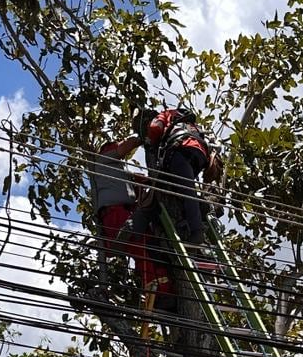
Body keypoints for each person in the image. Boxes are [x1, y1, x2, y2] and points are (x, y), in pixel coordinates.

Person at [86, 132, 172, 306]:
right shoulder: (104, 158)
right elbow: (126, 145)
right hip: (117, 214)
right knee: (144, 246)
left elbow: (139, 180)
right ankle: (160, 291)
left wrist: (150, 181)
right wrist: (143, 134)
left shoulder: (115, 172)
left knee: (144, 249)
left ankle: (156, 290)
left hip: (118, 215)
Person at [125, 105, 219, 263]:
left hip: (180, 150)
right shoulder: (186, 121)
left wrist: (148, 140)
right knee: (185, 188)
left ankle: (196, 232)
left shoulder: (165, 114)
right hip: (199, 153)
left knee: (185, 192)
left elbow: (155, 128)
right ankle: (195, 223)